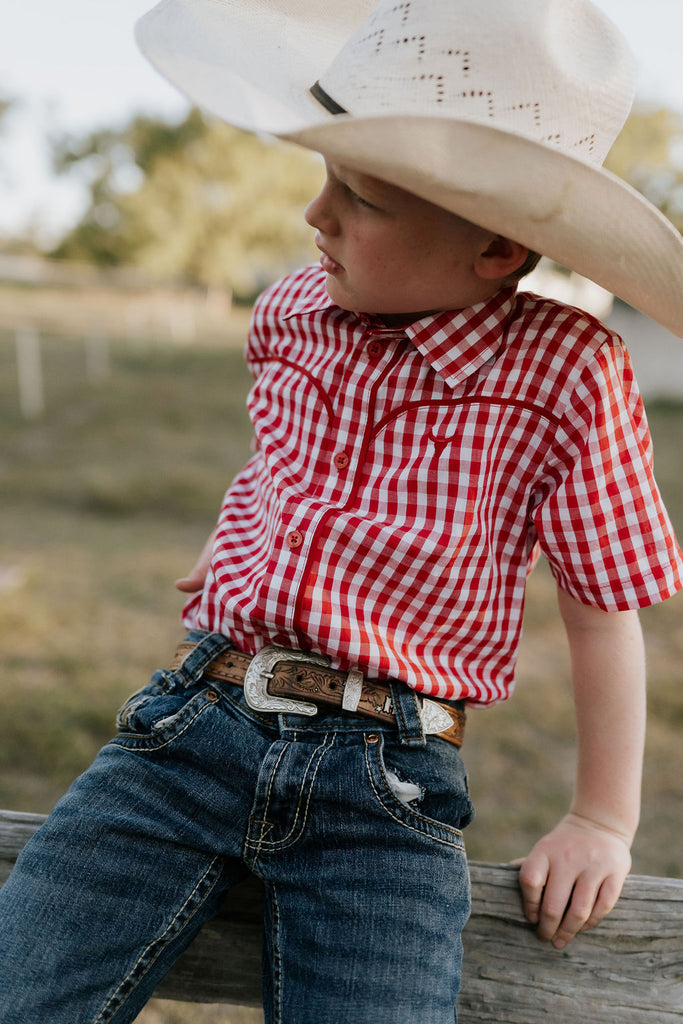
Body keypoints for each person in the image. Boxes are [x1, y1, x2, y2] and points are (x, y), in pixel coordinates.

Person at [2, 1, 683, 1022]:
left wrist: (600, 815)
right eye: (322, 179)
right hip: (192, 727)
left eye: (358, 197)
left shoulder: (566, 372)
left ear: (497, 246)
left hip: (388, 785)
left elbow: (602, 608)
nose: (313, 216)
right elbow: (278, 453)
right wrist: (231, 544)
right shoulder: (289, 310)